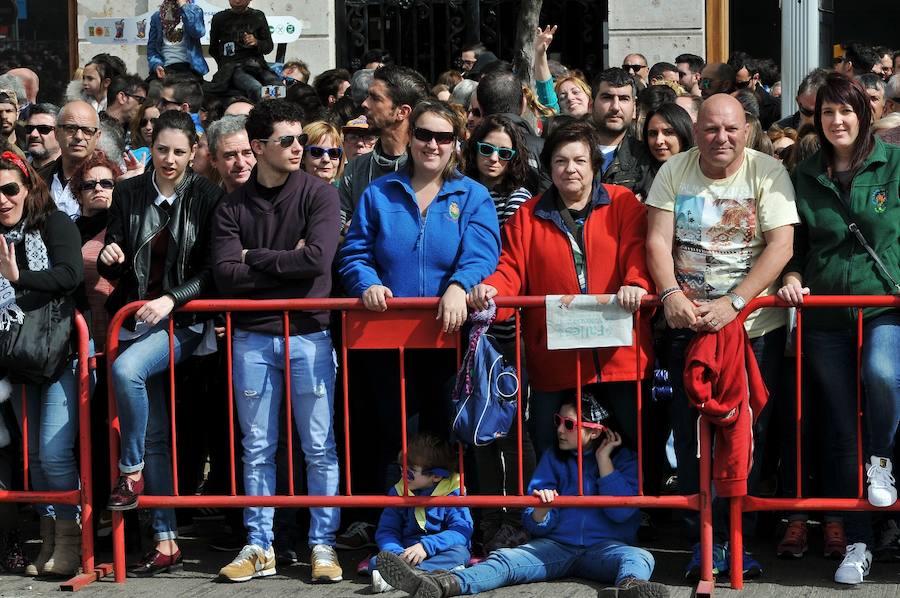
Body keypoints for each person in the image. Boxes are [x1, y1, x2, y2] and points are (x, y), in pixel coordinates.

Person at [645, 93, 799, 579]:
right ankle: (702, 543)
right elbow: (656, 238)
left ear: (748, 129)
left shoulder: (768, 171)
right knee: (690, 438)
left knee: (746, 437)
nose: (722, 138)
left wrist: (734, 304)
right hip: (686, 328)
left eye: (731, 129)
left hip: (753, 331)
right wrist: (669, 292)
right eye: (712, 129)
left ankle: (738, 542)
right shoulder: (674, 172)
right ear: (697, 130)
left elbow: (781, 246)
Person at [338, 100, 500, 541]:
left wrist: (458, 285)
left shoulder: (473, 195)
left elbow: (483, 252)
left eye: (443, 137)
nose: (433, 144)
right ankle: (395, 528)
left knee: (449, 433)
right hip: (388, 339)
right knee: (396, 435)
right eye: (424, 134)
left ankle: (452, 528)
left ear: (456, 144)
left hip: (449, 340)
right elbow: (354, 252)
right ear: (409, 138)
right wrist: (366, 282)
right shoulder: (379, 193)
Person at [211, 98, 343, 584]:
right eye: (287, 141)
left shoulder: (319, 194)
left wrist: (255, 258)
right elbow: (226, 276)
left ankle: (322, 543)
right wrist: (284, 261)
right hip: (252, 337)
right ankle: (259, 544)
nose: (298, 148)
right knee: (258, 446)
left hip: (309, 334)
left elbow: (316, 262)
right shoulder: (231, 204)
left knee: (318, 445)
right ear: (259, 146)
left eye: (301, 140)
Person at [778, 73, 900, 585]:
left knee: (883, 378)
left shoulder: (894, 165)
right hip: (825, 314)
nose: (837, 121)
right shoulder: (805, 174)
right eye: (827, 113)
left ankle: (883, 460)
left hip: (882, 306)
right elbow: (799, 247)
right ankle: (858, 542)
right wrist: (791, 276)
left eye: (846, 111)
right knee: (838, 428)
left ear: (864, 114)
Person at [469, 118, 652, 458]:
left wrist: (636, 283)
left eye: (580, 161)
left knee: (634, 442)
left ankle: (636, 510)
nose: (571, 169)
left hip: (618, 353)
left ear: (594, 166)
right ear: (549, 166)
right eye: (561, 161)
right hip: (555, 352)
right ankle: (553, 511)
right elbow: (510, 268)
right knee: (548, 442)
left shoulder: (623, 202)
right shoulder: (527, 215)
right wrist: (492, 291)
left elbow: (637, 252)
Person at [375, 393, 670, 598]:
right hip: (557, 546)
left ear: (595, 432)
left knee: (640, 556)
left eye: (569, 424)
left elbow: (622, 514)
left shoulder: (625, 460)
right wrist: (542, 511)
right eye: (558, 421)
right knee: (504, 559)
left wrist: (605, 462)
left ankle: (629, 589)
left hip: (606, 549)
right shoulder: (553, 460)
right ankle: (443, 584)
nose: (560, 430)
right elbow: (532, 523)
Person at [99, 110, 223, 577]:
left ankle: (128, 473)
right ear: (149, 147)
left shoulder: (207, 195)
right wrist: (111, 257)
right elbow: (117, 267)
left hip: (183, 323)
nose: (168, 159)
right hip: (133, 319)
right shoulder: (128, 190)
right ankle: (166, 541)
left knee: (126, 372)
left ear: (194, 154)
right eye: (161, 149)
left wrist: (173, 299)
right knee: (155, 435)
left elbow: (211, 270)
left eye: (178, 151)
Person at [0, 151, 84, 577]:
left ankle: (70, 541)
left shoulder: (55, 223)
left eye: (9, 188)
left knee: (53, 455)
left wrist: (19, 279)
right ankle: (50, 542)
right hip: (12, 360)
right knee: (33, 455)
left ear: (29, 187)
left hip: (56, 355)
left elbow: (71, 275)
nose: (2, 199)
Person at [462, 114, 536, 552]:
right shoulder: (458, 190)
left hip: (503, 323)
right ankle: (487, 518)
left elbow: (507, 260)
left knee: (510, 427)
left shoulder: (519, 199)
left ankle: (515, 516)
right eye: (486, 149)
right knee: (474, 426)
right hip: (462, 320)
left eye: (504, 152)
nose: (493, 159)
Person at [369, 433, 473, 594]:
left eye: (410, 471)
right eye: (401, 468)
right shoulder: (397, 491)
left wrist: (426, 546)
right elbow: (387, 530)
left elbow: (461, 531)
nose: (403, 475)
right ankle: (430, 575)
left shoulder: (453, 493)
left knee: (461, 553)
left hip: (440, 549)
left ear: (436, 475)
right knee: (376, 561)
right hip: (407, 552)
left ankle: (401, 579)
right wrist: (396, 554)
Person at [338, 65, 429, 229]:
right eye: (367, 96)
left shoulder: (428, 169)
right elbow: (337, 230)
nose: (365, 104)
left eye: (375, 98)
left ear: (402, 112)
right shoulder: (355, 169)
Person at [70, 151, 121, 348]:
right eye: (89, 185)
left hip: (115, 340)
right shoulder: (67, 233)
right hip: (78, 343)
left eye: (107, 184)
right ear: (78, 194)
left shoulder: (123, 230)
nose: (98, 188)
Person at [591, 68, 654, 199]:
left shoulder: (647, 158)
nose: (615, 107)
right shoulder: (568, 153)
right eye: (607, 97)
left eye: (624, 99)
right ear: (591, 104)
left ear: (634, 108)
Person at [39, 101, 103, 220]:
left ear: (97, 136)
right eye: (70, 128)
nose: (79, 136)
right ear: (57, 133)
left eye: (87, 130)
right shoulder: (39, 179)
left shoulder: (109, 182)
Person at [207, 0, 281, 102]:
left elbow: (269, 46)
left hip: (257, 65)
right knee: (255, 88)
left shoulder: (258, 16)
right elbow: (213, 48)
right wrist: (225, 66)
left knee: (279, 88)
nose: (237, 1)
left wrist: (256, 42)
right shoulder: (219, 18)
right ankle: (261, 113)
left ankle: (276, 111)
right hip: (233, 68)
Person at [147, 0, 209, 82]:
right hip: (165, 67)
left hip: (188, 67)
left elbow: (197, 32)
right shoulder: (157, 17)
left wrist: (184, 7)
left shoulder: (194, 11)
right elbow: (152, 49)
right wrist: (156, 65)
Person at [642, 102, 695, 185]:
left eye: (668, 132)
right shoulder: (637, 176)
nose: (659, 141)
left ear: (683, 134)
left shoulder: (701, 172)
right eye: (653, 134)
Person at [206, 114, 256, 193]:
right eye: (230, 155)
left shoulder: (276, 199)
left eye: (247, 153)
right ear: (213, 160)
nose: (241, 163)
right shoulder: (205, 202)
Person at [100, 75, 148, 147]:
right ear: (122, 97)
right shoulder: (95, 129)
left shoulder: (134, 131)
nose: (142, 106)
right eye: (141, 100)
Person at [301, 120, 344, 187]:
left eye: (334, 153)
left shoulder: (348, 193)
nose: (326, 159)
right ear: (303, 156)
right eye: (317, 152)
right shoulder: (291, 193)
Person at [24, 103, 61, 173]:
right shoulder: (18, 170)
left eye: (43, 129)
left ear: (60, 134)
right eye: (29, 128)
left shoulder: (74, 174)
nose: (33, 134)